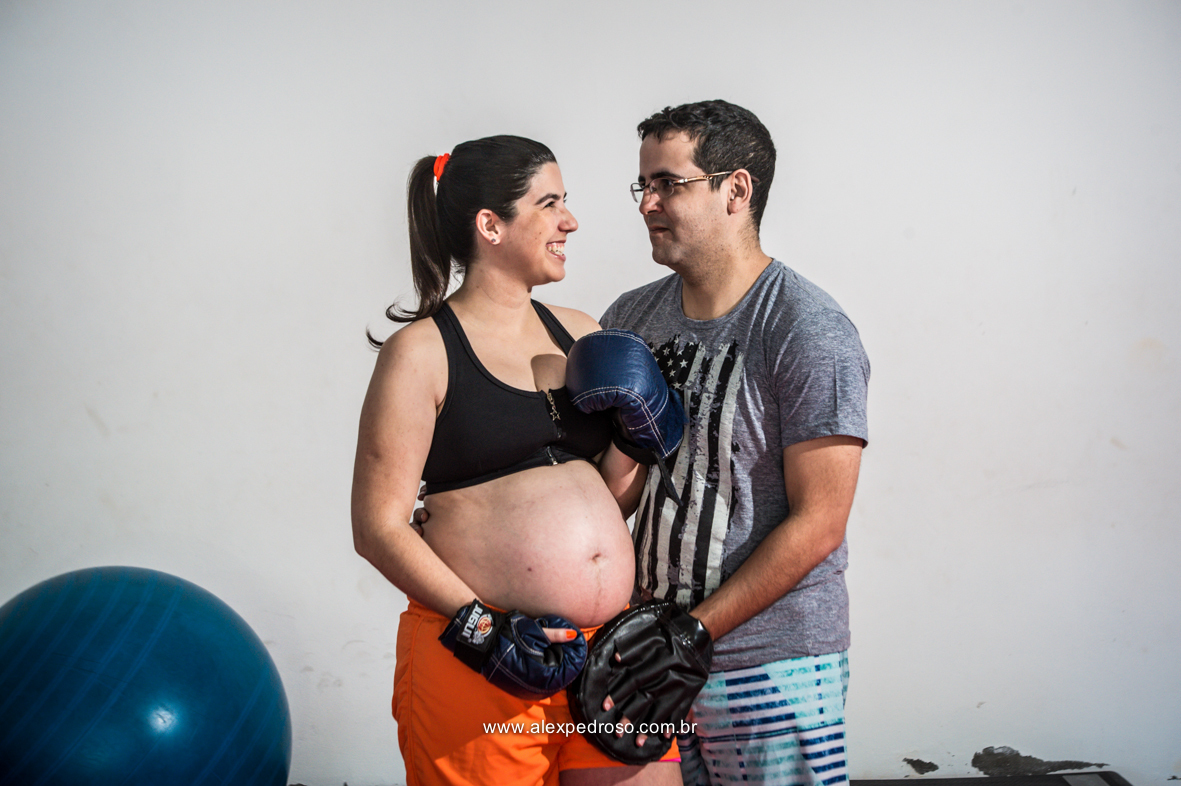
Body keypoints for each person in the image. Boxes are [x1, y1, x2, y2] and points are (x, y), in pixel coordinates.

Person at [350, 135, 682, 786]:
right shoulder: (420, 353)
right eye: (550, 203)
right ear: (490, 226)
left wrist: (640, 437)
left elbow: (611, 494)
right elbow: (378, 526)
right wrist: (484, 629)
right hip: (482, 660)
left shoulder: (581, 332)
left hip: (604, 651)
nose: (570, 221)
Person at [597, 100, 870, 786]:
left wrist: (696, 631)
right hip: (650, 659)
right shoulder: (630, 318)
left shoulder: (806, 328)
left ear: (735, 190)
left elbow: (820, 522)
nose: (647, 204)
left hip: (770, 661)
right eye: (643, 185)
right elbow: (613, 497)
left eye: (668, 183)